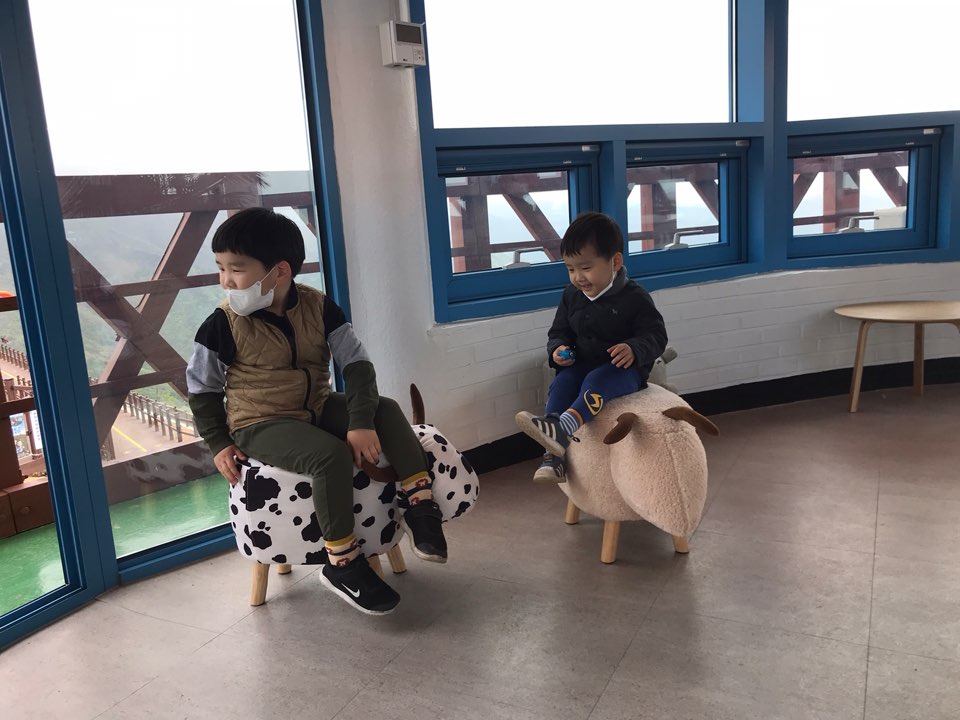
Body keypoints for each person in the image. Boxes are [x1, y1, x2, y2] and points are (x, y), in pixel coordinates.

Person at [186, 207, 447, 616]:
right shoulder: (222, 323)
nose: (226, 280)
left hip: (316, 405)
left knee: (387, 408)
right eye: (221, 268)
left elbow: (357, 366)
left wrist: (360, 423)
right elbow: (201, 389)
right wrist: (219, 442)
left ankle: (420, 505)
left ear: (280, 271)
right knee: (329, 456)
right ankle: (342, 563)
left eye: (236, 269)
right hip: (259, 422)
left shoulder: (320, 307)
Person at [515, 212, 667, 483]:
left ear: (615, 262)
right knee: (563, 382)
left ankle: (564, 427)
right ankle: (553, 456)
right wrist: (558, 350)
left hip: (622, 371)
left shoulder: (635, 298)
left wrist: (634, 348)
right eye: (570, 269)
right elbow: (559, 332)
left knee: (597, 380)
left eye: (585, 268)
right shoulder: (571, 296)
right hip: (581, 363)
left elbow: (656, 335)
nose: (578, 277)